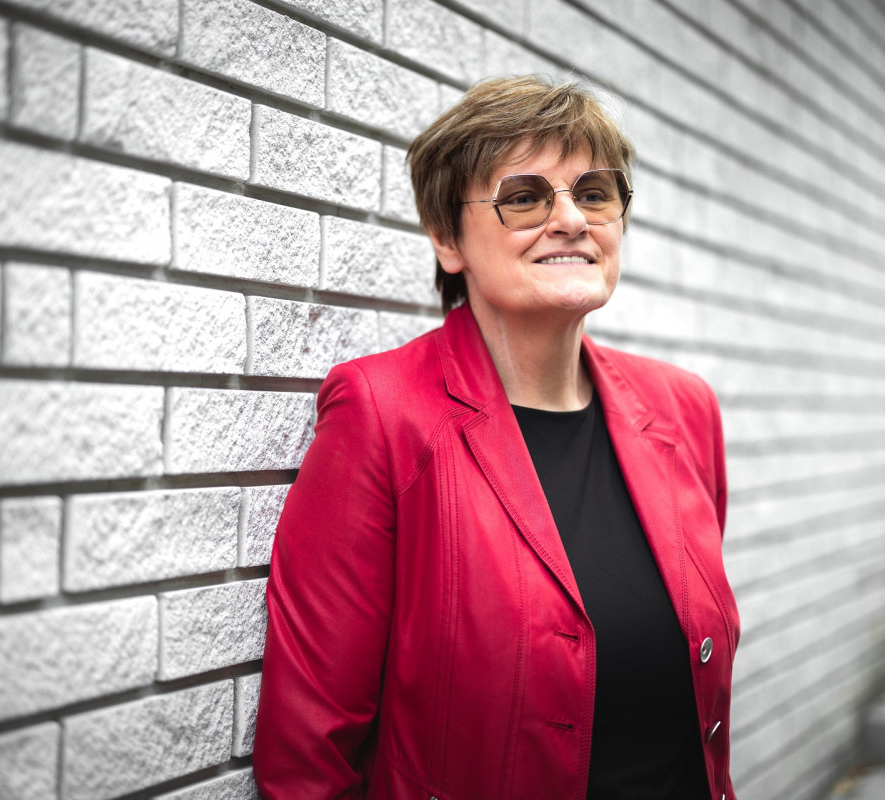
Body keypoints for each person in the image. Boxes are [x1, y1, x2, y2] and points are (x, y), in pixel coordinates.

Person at [253, 75, 739, 800]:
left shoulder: (682, 409)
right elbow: (307, 756)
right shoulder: (381, 414)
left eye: (595, 193)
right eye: (525, 197)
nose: (571, 219)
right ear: (447, 239)